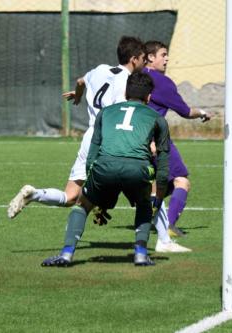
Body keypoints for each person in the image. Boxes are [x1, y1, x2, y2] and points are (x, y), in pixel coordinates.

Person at [7, 36, 146, 217]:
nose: (145, 63)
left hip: (90, 138)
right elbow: (118, 113)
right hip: (108, 140)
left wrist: (78, 95)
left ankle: (34, 194)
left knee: (70, 196)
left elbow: (81, 81)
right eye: (143, 59)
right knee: (127, 182)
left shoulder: (101, 69)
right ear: (134, 59)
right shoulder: (127, 82)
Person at [42, 72, 167, 267]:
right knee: (144, 204)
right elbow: (163, 159)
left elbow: (93, 153)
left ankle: (66, 254)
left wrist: (95, 188)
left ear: (125, 92)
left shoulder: (106, 112)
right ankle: (141, 253)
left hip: (104, 167)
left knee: (82, 205)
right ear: (149, 97)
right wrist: (157, 195)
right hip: (138, 169)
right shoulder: (157, 118)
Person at [142, 40, 212, 240]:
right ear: (150, 58)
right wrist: (203, 113)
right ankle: (169, 225)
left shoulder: (134, 77)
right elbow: (185, 112)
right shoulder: (161, 82)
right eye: (163, 54)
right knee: (181, 181)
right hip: (156, 138)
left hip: (131, 137)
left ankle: (149, 213)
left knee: (160, 184)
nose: (167, 58)